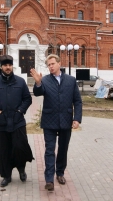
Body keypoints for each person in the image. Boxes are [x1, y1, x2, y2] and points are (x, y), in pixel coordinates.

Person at [30, 54, 82, 191]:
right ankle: (49, 180)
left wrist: (77, 118)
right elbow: (38, 93)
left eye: (52, 64)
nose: (50, 66)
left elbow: (77, 101)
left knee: (63, 149)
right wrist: (37, 83)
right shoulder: (45, 80)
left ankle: (60, 173)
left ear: (59, 63)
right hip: (49, 120)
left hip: (66, 119)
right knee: (49, 150)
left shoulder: (71, 80)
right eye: (48, 65)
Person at [0, 55, 33, 187]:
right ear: (1, 67)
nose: (7, 67)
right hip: (1, 123)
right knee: (4, 150)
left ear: (12, 66)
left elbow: (27, 99)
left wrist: (20, 111)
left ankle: (21, 170)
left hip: (18, 121)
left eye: (9, 65)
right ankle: (6, 175)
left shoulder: (20, 82)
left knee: (19, 147)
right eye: (5, 65)